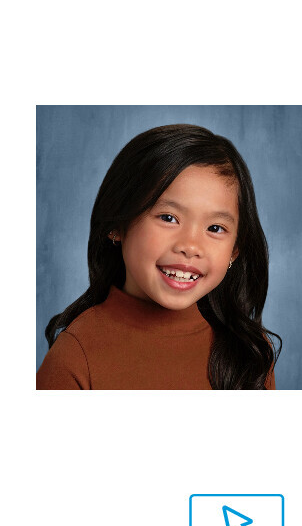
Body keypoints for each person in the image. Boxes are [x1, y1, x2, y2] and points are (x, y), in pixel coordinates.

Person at [38, 125, 278, 390]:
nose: (190, 246)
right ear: (117, 225)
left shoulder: (250, 352)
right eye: (168, 218)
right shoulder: (74, 357)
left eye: (215, 228)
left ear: (235, 249)